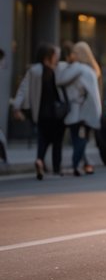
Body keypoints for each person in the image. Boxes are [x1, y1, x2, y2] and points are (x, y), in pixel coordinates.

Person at [12, 43, 68, 179]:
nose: (56, 58)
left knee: (43, 139)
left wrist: (16, 106)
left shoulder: (34, 71)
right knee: (57, 142)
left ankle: (39, 160)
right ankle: (56, 168)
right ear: (47, 57)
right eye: (54, 56)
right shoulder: (57, 71)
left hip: (41, 113)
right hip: (56, 114)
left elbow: (23, 89)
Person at [59, 41, 103, 175]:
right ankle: (86, 163)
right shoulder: (92, 70)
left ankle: (75, 164)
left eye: (75, 53)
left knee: (78, 139)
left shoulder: (79, 69)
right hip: (88, 111)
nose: (72, 55)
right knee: (81, 139)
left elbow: (62, 81)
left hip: (79, 110)